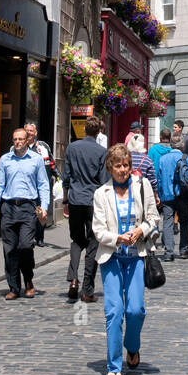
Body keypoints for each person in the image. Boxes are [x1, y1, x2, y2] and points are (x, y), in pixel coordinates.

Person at [92, 145, 161, 375]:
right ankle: (113, 363)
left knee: (135, 310)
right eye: (118, 166)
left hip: (136, 257)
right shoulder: (101, 194)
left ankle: (132, 346)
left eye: (126, 165)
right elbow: (98, 230)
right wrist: (117, 238)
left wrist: (140, 229)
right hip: (111, 258)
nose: (123, 170)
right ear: (110, 167)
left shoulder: (142, 187)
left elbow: (153, 217)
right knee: (114, 311)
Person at [0, 129, 50, 298]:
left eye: (21, 139)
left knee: (25, 246)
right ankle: (14, 287)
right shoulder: (5, 160)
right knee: (9, 249)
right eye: (15, 139)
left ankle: (28, 279)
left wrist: (44, 207)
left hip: (28, 207)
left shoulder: (36, 160)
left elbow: (43, 184)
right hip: (8, 207)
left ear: (27, 140)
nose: (18, 142)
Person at [61, 118, 107, 303]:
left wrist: (65, 198)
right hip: (93, 201)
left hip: (75, 198)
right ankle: (87, 289)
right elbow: (103, 181)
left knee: (76, 240)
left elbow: (67, 174)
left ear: (84, 130)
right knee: (93, 243)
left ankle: (73, 278)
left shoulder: (72, 147)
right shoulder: (102, 152)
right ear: (98, 132)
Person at [155, 130, 188, 261]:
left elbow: (158, 178)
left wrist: (159, 194)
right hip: (183, 194)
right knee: (184, 221)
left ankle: (168, 252)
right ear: (182, 146)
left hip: (167, 195)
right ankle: (183, 250)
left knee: (167, 222)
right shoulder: (186, 158)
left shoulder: (163, 159)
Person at [24, 121, 55, 246]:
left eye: (31, 131)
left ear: (35, 133)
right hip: (26, 186)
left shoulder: (42, 147)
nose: (29, 133)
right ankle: (29, 237)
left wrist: (59, 178)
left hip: (40, 186)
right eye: (27, 131)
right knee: (28, 213)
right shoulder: (19, 146)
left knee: (40, 211)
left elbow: (51, 163)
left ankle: (40, 237)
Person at [127, 134, 160, 205]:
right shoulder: (147, 160)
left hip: (127, 190)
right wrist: (155, 194)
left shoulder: (126, 158)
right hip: (143, 193)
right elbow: (152, 180)